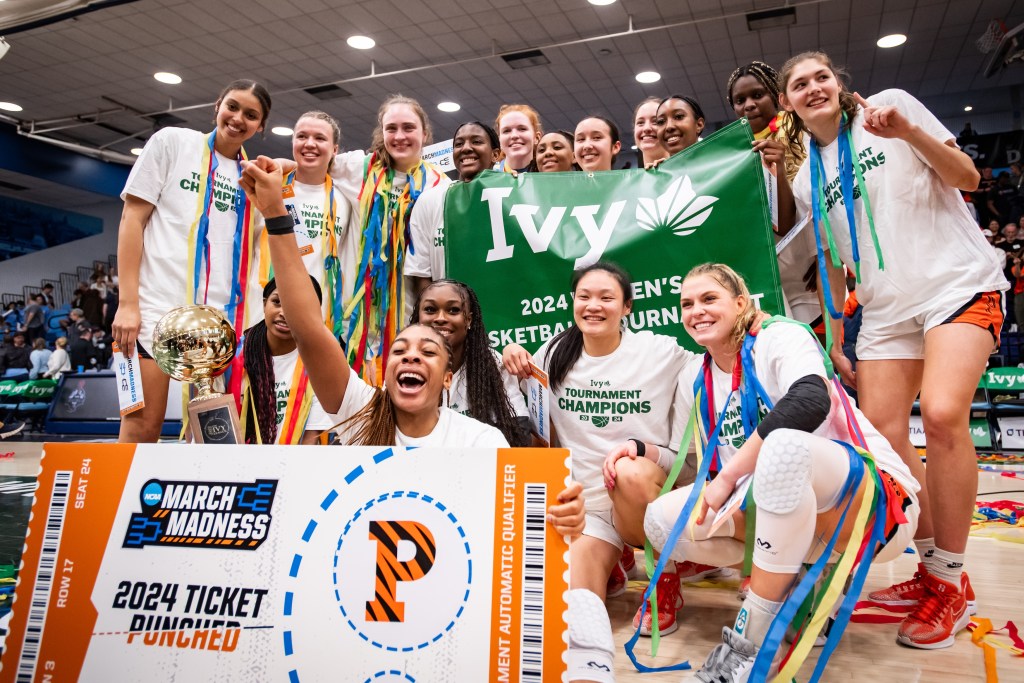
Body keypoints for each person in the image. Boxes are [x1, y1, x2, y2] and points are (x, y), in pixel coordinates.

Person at [778, 51, 1004, 649]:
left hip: (954, 283)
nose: (813, 88)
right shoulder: (806, 178)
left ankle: (951, 585)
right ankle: (931, 570)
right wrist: (832, 335)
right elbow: (832, 259)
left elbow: (968, 178)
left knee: (943, 413)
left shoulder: (893, 108)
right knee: (883, 433)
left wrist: (907, 133)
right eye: (799, 85)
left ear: (838, 82)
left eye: (822, 76)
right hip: (882, 308)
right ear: (789, 104)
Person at [628, 263, 918, 681]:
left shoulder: (779, 336)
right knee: (661, 520)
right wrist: (640, 451)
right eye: (686, 304)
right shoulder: (696, 374)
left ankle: (748, 647)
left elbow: (809, 401)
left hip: (874, 505)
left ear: (742, 303)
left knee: (782, 449)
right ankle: (792, 582)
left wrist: (727, 478)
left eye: (710, 299)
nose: (696, 311)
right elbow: (692, 463)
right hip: (779, 512)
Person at [502, 261, 697, 665]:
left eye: (607, 298)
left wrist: (762, 327)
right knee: (571, 613)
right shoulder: (554, 352)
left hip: (641, 489)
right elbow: (529, 412)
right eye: (584, 297)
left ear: (627, 307)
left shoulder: (658, 351)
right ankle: (616, 560)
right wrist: (510, 354)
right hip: (586, 509)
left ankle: (664, 578)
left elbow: (716, 354)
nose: (594, 306)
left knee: (629, 471)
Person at [112, 79, 271, 443]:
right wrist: (127, 304)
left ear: (260, 126)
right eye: (232, 106)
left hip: (218, 329)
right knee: (141, 427)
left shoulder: (254, 178)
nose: (238, 118)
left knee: (213, 438)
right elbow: (132, 219)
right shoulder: (172, 142)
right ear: (217, 105)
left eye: (251, 115)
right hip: (152, 314)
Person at [326, 95, 449, 381]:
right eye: (391, 128)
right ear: (381, 133)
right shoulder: (359, 168)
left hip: (408, 316)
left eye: (409, 128)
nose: (399, 136)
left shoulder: (440, 184)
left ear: (425, 134)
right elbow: (309, 163)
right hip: (355, 321)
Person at [726, 61, 817, 324]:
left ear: (777, 96)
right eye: (739, 100)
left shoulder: (805, 133)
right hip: (766, 278)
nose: (749, 105)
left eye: (757, 95)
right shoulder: (732, 155)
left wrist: (827, 256)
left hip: (810, 273)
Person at [252, 111, 353, 332]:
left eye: (320, 138)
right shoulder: (268, 186)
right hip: (261, 313)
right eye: (302, 136)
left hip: (315, 316)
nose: (309, 144)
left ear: (334, 149)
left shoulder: (345, 199)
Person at [410, 279, 528, 446]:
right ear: (419, 318)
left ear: (469, 320)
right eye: (430, 310)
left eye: (453, 310)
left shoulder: (493, 364)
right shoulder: (404, 365)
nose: (440, 318)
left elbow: (518, 437)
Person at [406, 121, 500, 293]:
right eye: (459, 144)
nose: (466, 148)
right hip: (450, 315)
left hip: (503, 310)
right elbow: (421, 275)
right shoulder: (430, 200)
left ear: (496, 155)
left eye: (476, 141)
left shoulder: (512, 199)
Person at [239, 277, 334, 445]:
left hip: (292, 466)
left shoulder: (319, 366)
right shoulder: (234, 356)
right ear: (264, 304)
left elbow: (308, 444)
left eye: (297, 307)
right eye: (277, 302)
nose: (284, 313)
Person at [495, 104, 542, 173]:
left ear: (536, 137)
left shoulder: (550, 175)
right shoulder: (487, 178)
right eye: (506, 131)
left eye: (522, 129)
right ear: (499, 140)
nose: (514, 135)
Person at [633, 96, 668, 168]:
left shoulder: (689, 171)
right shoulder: (630, 179)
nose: (646, 128)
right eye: (640, 122)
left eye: (656, 121)